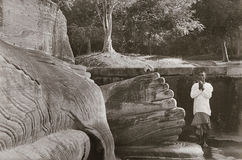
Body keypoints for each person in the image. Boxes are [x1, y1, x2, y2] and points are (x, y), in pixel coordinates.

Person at [190, 71, 213, 147]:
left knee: (205, 126)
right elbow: (192, 96)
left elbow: (208, 96)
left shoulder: (209, 86)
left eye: (203, 75)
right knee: (197, 126)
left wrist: (202, 88)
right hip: (197, 109)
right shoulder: (194, 85)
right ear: (197, 77)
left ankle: (204, 142)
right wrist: (199, 89)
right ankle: (199, 141)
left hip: (205, 109)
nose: (201, 77)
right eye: (199, 75)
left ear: (205, 76)